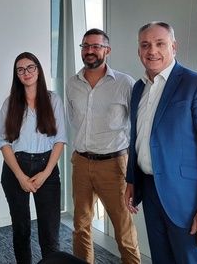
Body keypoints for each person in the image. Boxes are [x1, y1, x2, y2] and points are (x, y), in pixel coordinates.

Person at [124, 21, 197, 263]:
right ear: (139, 51)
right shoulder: (139, 88)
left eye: (160, 43)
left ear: (173, 46)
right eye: (145, 45)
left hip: (189, 201)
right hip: (151, 191)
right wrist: (132, 179)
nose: (152, 50)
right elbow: (138, 138)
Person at [66, 28, 141, 263]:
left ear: (107, 50)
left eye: (96, 46)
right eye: (85, 46)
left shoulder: (124, 83)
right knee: (80, 226)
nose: (90, 51)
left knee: (123, 231)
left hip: (114, 165)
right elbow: (72, 121)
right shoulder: (72, 84)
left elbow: (137, 127)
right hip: (81, 162)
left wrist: (133, 173)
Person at [0, 52, 67, 264]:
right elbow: (2, 140)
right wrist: (20, 176)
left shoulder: (53, 99)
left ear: (38, 69)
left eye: (30, 67)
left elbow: (60, 139)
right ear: (16, 74)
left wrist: (45, 174)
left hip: (48, 167)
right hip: (16, 167)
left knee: (50, 235)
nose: (26, 72)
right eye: (20, 69)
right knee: (21, 230)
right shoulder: (11, 103)